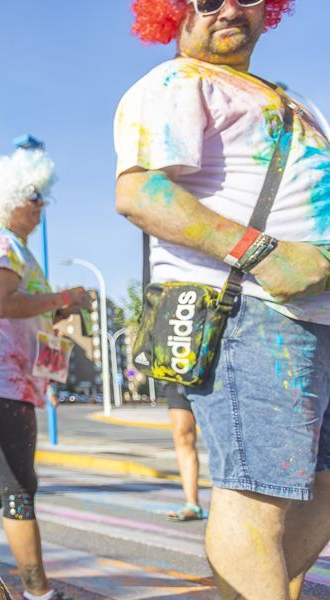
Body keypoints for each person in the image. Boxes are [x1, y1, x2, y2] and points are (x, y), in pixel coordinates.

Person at [115, 1, 329, 597]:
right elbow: (139, 193)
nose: (229, 7)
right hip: (249, 310)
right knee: (256, 494)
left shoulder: (292, 98)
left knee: (319, 486)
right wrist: (265, 255)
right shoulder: (175, 81)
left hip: (315, 314)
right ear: (173, 12)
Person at [0, 149, 90, 600]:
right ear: (6, 198)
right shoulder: (0, 244)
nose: (39, 205)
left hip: (13, 381)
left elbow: (25, 312)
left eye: (41, 196)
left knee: (14, 482)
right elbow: (4, 304)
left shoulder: (17, 249)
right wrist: (61, 297)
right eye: (32, 195)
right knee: (19, 487)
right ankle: (39, 592)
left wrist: (62, 304)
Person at [164, 384, 205, 522]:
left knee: (223, 438)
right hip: (178, 372)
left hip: (214, 373)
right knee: (182, 434)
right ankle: (192, 504)